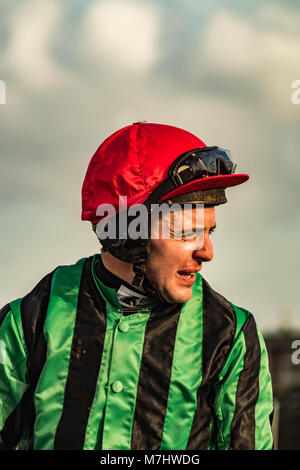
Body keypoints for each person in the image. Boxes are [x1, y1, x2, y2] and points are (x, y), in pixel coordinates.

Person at [0, 122, 273, 450]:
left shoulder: (231, 335)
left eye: (209, 232)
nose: (207, 252)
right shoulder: (30, 318)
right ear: (126, 230)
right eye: (186, 232)